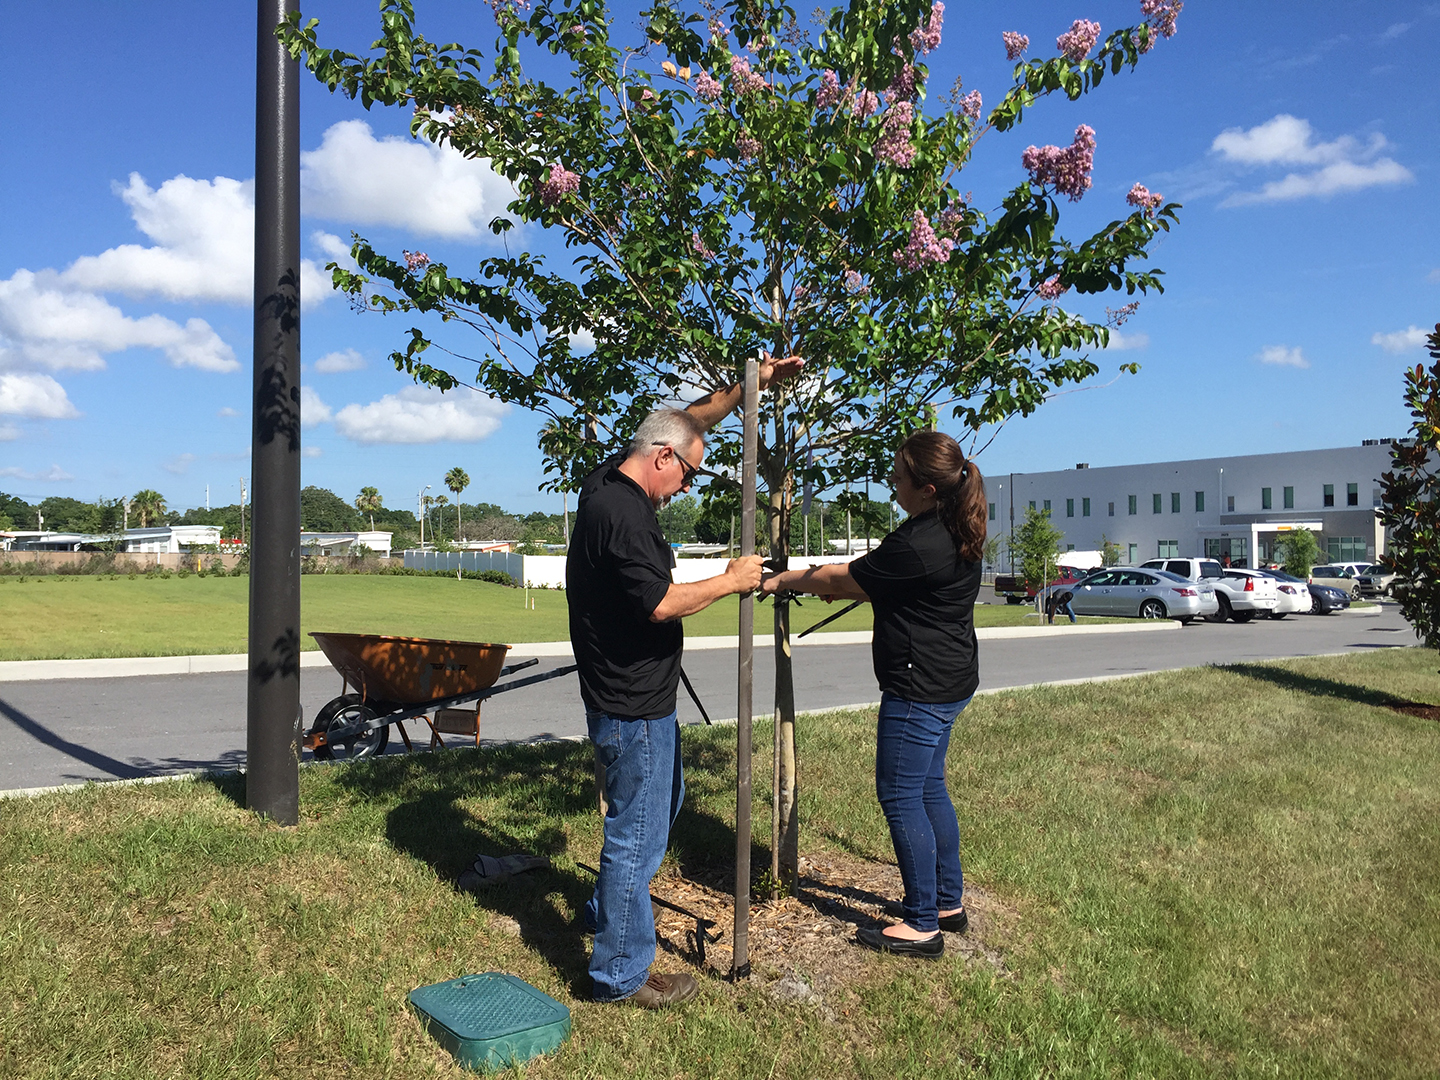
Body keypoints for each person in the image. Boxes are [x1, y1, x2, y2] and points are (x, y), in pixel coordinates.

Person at [568, 354, 802, 1008]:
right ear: (662, 458)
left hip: (633, 698)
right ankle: (619, 974)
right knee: (635, 839)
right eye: (690, 474)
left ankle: (606, 914)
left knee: (653, 815)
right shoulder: (626, 518)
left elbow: (686, 418)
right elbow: (661, 603)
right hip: (631, 704)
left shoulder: (608, 482)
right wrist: (731, 580)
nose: (690, 487)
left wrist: (752, 382)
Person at [760, 430, 985, 959]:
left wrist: (780, 581)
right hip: (950, 679)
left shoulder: (920, 541)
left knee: (900, 793)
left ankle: (923, 924)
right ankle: (947, 903)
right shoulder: (956, 525)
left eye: (899, 478)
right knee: (929, 789)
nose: (892, 485)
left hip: (918, 687)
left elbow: (843, 579)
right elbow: (873, 582)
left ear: (927, 488)